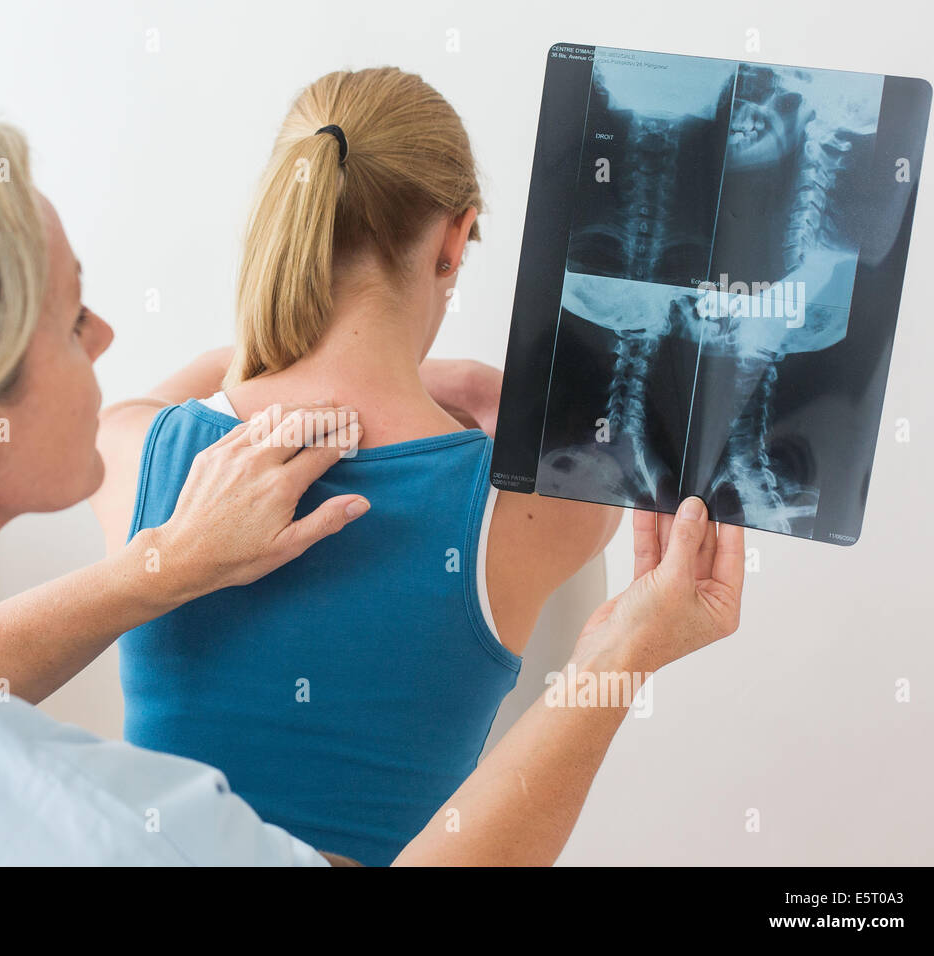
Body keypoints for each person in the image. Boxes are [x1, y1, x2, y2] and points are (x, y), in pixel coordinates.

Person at [0, 107, 743, 867]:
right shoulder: (116, 832)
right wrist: (612, 664)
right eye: (75, 317)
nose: (110, 336)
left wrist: (158, 562)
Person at [87, 67, 622, 864]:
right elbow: (598, 440)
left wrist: (278, 360)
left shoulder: (136, 456)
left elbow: (149, 405)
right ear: (454, 239)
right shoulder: (545, 510)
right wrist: (467, 384)